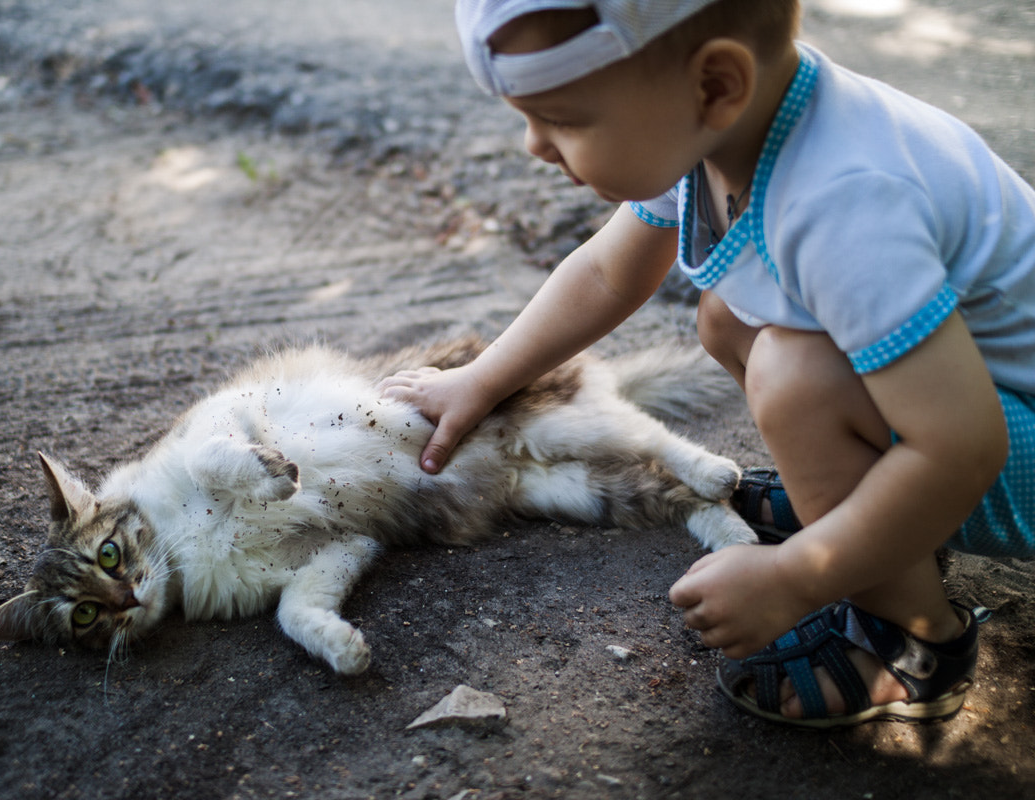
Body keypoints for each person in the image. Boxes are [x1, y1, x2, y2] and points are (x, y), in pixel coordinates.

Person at [378, 0, 1035, 727]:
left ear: (717, 84)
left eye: (563, 118)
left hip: (998, 450)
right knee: (727, 315)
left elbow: (961, 448)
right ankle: (855, 504)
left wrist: (797, 575)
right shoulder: (720, 128)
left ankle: (913, 641)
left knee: (796, 380)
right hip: (975, 408)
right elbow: (606, 273)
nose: (536, 145)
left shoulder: (844, 203)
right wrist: (483, 379)